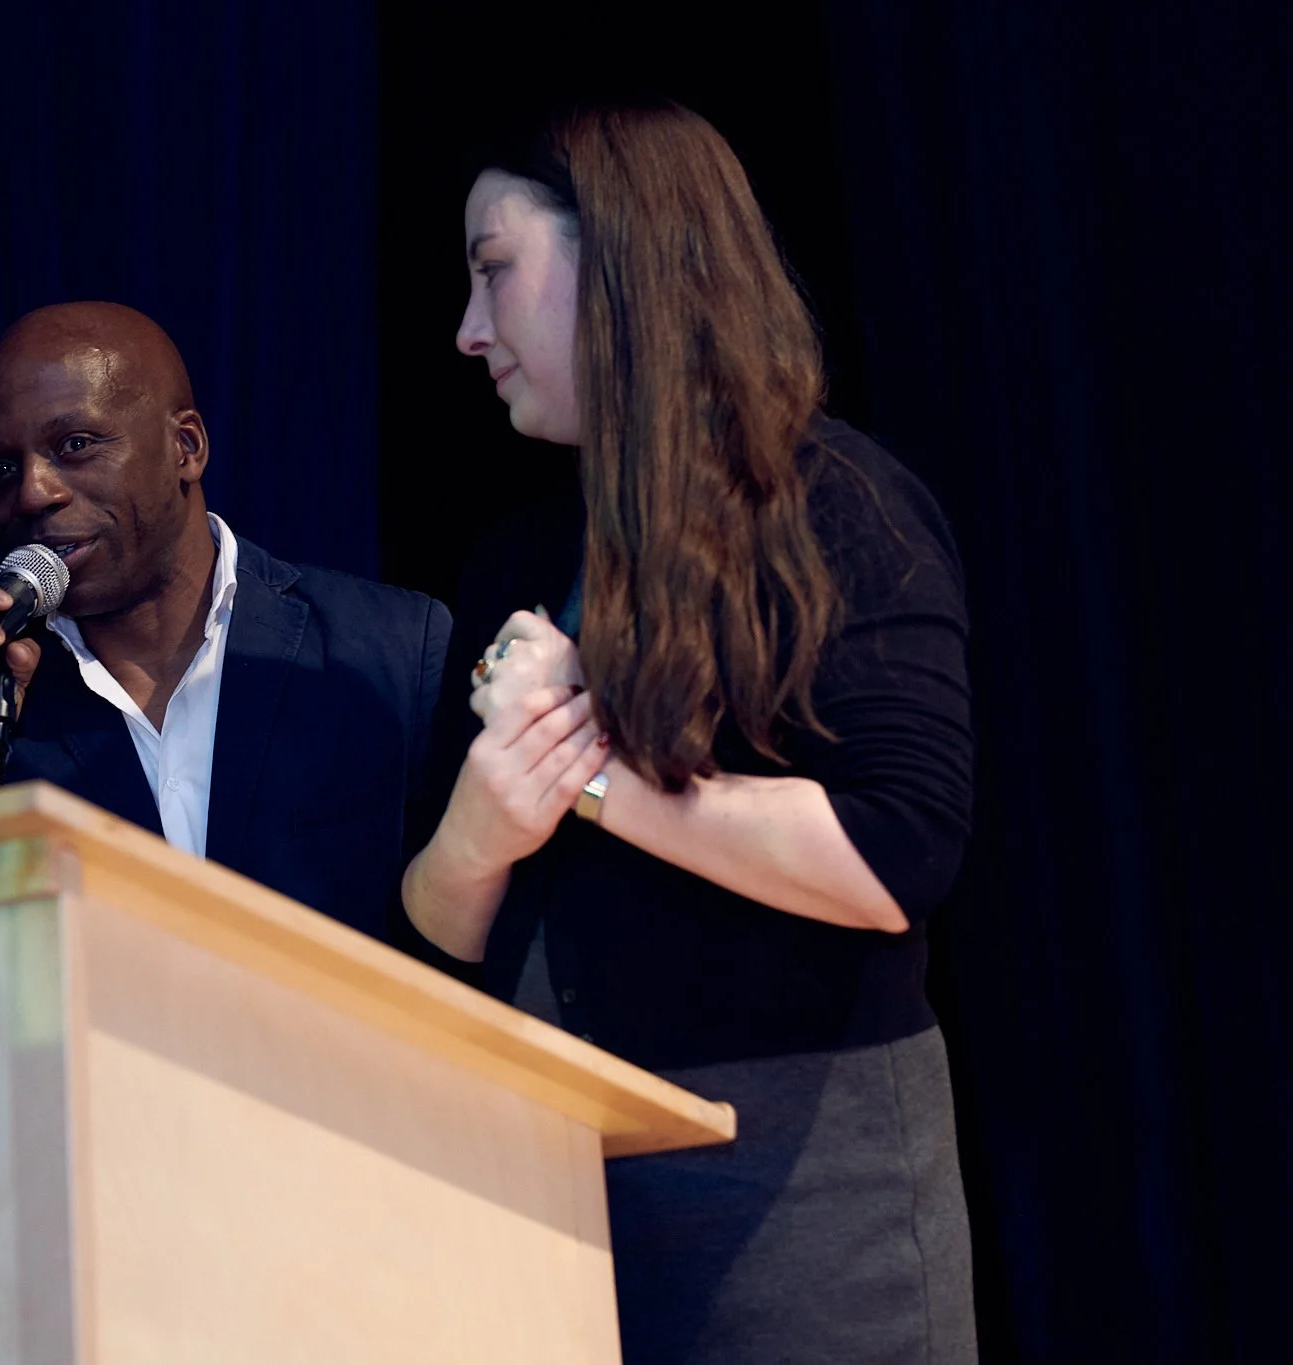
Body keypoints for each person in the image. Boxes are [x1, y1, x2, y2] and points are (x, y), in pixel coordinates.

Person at [394, 101, 978, 1362]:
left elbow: (894, 854)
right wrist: (478, 833)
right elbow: (435, 927)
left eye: (492, 270)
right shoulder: (517, 552)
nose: (466, 329)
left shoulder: (840, 510)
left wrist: (590, 770)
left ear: (620, 259)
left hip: (800, 1190)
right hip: (549, 1179)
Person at [0, 301, 451, 937]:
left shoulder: (389, 647)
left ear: (186, 447)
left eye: (74, 445)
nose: (33, 492)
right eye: (2, 468)